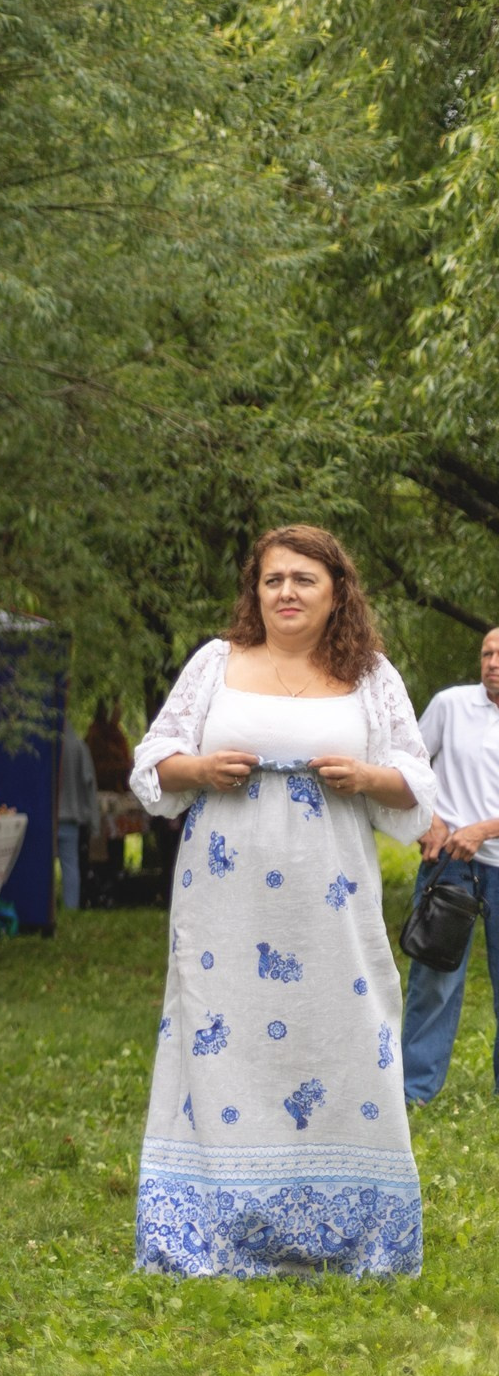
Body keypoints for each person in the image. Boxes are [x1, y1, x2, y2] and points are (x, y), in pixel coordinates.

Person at [128, 525, 433, 1277]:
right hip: (224, 905)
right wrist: (198, 767)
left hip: (332, 904)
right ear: (254, 591)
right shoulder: (214, 664)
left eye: (304, 579)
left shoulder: (370, 675)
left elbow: (417, 787)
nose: (287, 592)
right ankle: (212, 1227)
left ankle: (354, 1233)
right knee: (219, 1036)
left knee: (346, 1033)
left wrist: (365, 778)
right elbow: (150, 763)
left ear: (337, 593)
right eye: (273, 580)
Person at [399, 625, 499, 1104]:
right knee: (433, 980)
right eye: (487, 653)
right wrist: (430, 822)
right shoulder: (450, 705)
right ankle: (414, 1091)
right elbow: (410, 769)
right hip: (449, 869)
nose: (493, 662)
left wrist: (483, 829)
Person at [57, 710, 101, 912]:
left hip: (49, 818)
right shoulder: (78, 747)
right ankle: (71, 908)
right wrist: (94, 821)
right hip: (71, 818)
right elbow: (89, 785)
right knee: (70, 865)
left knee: (43, 867)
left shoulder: (49, 747)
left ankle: (45, 907)